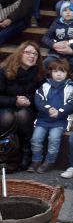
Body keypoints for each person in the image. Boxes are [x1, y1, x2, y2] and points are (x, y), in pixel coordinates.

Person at [28, 58, 73, 173]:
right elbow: (38, 100)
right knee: (36, 139)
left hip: (60, 120)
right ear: (50, 72)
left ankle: (49, 161)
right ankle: (36, 160)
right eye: (55, 71)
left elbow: (72, 103)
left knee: (54, 139)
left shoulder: (71, 88)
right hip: (43, 119)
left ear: (67, 73)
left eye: (62, 71)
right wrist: (48, 109)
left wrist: (59, 112)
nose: (59, 74)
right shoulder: (44, 86)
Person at [0, 41, 45, 170]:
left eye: (35, 54)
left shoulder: (39, 73)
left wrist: (28, 100)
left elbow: (40, 95)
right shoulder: (4, 71)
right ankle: (6, 154)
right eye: (28, 52)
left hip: (27, 107)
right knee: (8, 116)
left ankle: (25, 152)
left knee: (23, 114)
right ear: (20, 54)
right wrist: (15, 101)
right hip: (5, 106)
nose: (32, 56)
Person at [42, 0, 73, 80]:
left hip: (72, 54)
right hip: (56, 54)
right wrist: (54, 44)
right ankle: (45, 83)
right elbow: (45, 38)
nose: (68, 12)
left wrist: (70, 44)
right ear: (61, 12)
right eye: (65, 10)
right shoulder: (56, 23)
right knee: (44, 65)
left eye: (70, 10)